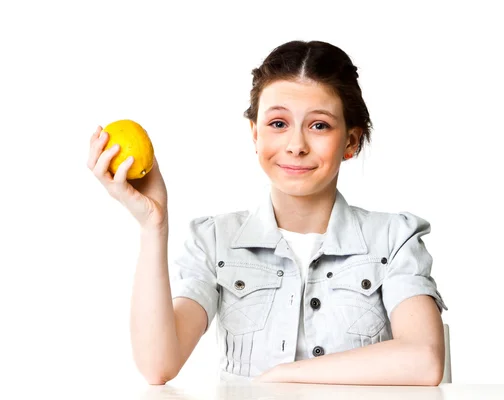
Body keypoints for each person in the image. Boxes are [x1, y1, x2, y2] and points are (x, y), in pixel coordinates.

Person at [87, 40, 448, 386]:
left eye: (319, 125)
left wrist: (286, 374)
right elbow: (158, 365)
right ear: (255, 133)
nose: (296, 146)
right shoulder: (214, 241)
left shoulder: (395, 238)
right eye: (278, 123)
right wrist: (154, 225)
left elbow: (425, 359)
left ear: (351, 142)